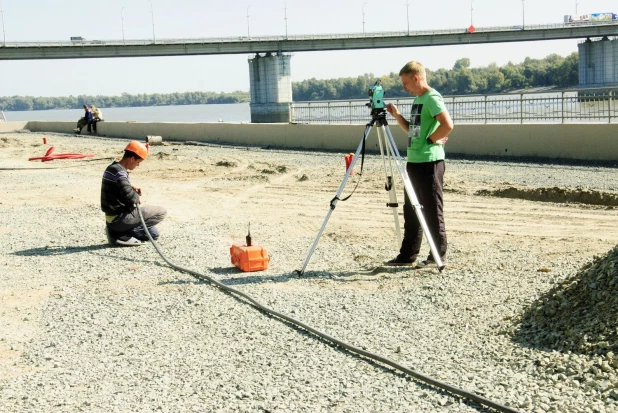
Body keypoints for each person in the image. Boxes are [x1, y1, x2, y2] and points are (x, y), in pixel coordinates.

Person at [384, 60, 454, 267]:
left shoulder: (432, 98)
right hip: (414, 161)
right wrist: (397, 115)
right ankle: (407, 255)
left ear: (416, 78)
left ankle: (437, 256)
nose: (404, 87)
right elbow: (413, 131)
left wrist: (432, 140)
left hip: (430, 162)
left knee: (432, 209)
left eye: (405, 82)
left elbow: (447, 125)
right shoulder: (418, 100)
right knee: (411, 210)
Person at [101, 140, 167, 246]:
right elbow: (132, 197)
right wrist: (136, 195)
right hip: (120, 219)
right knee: (161, 212)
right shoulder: (120, 173)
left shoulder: (112, 168)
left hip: (112, 219)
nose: (138, 165)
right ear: (132, 159)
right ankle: (119, 234)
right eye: (138, 162)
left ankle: (119, 232)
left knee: (153, 234)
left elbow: (118, 185)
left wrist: (131, 187)